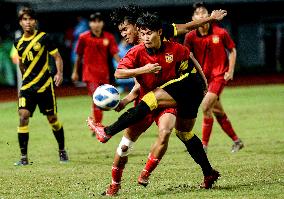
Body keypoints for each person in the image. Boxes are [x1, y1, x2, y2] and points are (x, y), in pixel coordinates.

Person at [88, 8, 224, 196]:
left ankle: (140, 168)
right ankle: (114, 185)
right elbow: (135, 82)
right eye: (121, 31)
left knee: (166, 130)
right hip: (148, 100)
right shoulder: (135, 52)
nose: (124, 34)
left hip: (170, 96)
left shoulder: (163, 34)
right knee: (128, 146)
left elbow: (187, 36)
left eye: (125, 29)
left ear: (137, 27)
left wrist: (210, 19)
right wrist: (126, 100)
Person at [184, 2, 244, 153]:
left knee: (205, 106)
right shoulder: (190, 36)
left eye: (203, 12)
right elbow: (186, 56)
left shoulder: (220, 32)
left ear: (209, 15)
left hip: (218, 76)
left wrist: (230, 70)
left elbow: (232, 50)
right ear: (193, 18)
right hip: (203, 80)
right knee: (217, 111)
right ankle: (237, 141)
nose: (201, 15)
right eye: (197, 13)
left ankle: (203, 146)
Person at [14, 7, 68, 166]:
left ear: (35, 21)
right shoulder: (18, 42)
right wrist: (24, 78)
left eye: (30, 19)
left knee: (53, 119)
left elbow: (57, 57)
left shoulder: (44, 38)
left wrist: (59, 73)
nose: (28, 22)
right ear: (20, 22)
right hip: (27, 88)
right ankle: (23, 157)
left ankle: (62, 150)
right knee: (23, 116)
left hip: (45, 87)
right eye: (24, 19)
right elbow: (22, 63)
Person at [71, 12, 120, 124]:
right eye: (94, 21)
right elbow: (78, 55)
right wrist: (75, 72)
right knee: (97, 99)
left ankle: (97, 124)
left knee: (103, 101)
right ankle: (98, 125)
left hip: (104, 74)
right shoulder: (83, 37)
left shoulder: (109, 37)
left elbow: (115, 54)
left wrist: (124, 67)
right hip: (89, 74)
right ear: (90, 23)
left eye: (99, 21)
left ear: (102, 23)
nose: (96, 24)